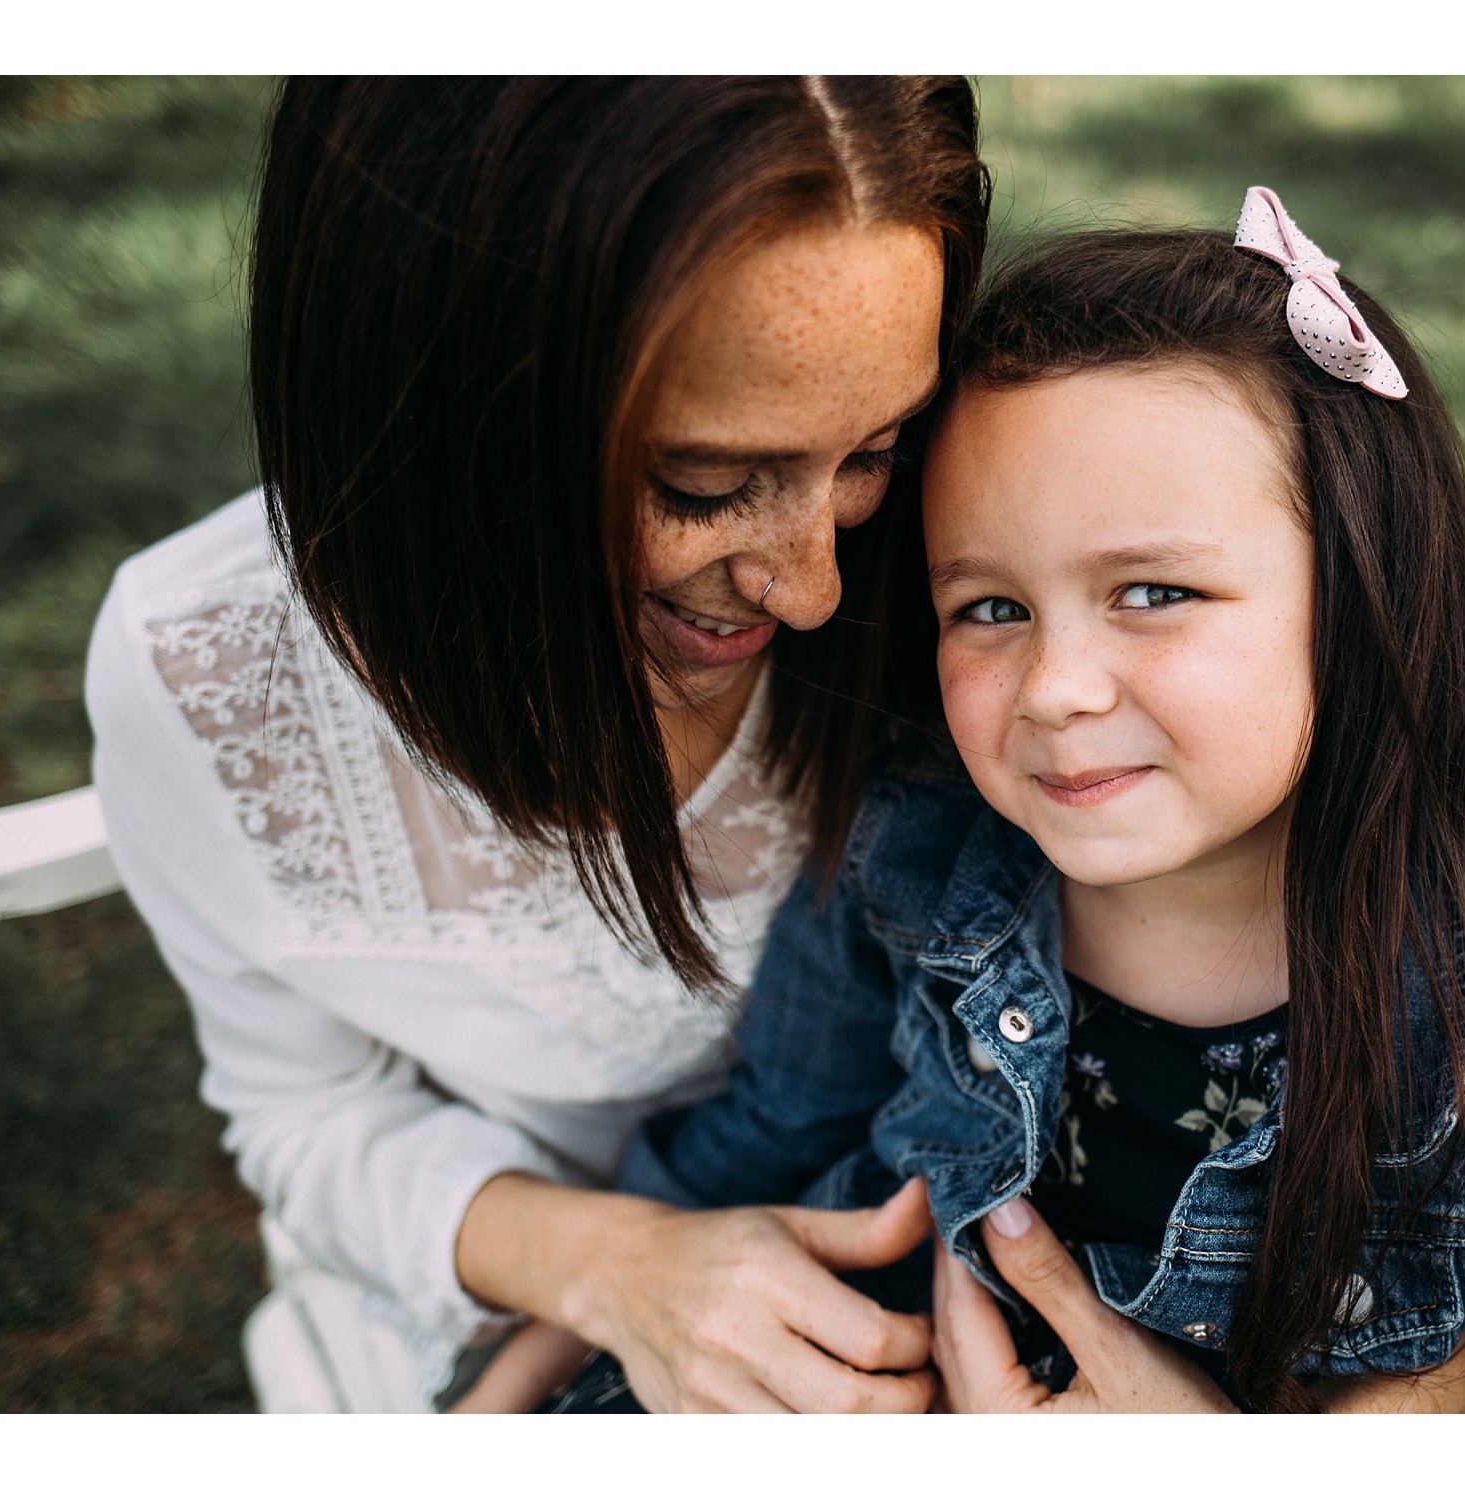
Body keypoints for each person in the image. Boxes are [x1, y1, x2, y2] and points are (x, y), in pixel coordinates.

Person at [537, 191, 1465, 1411]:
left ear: (1363, 596)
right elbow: (762, 1139)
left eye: (1152, 592)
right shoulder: (917, 843)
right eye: (989, 607)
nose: (1056, 688)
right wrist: (556, 1345)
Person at [83, 76, 990, 1412]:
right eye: (700, 483)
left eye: (873, 449)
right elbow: (306, 1113)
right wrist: (619, 1269)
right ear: (431, 402)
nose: (812, 590)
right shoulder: (199, 677)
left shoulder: (983, 573)